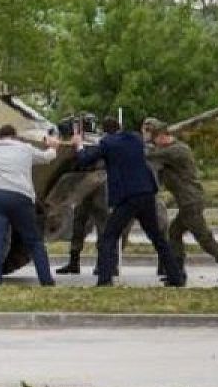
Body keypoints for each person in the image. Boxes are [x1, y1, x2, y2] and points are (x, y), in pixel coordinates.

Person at [72, 117, 184, 287]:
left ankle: (104, 278)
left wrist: (79, 144)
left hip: (127, 197)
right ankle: (176, 277)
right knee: (157, 238)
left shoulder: (107, 143)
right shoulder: (135, 138)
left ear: (104, 131)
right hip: (146, 193)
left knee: (109, 236)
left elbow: (84, 159)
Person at [142, 118, 218, 283]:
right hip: (188, 202)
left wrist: (139, 144)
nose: (153, 142)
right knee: (174, 233)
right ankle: (178, 271)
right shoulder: (169, 150)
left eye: (153, 138)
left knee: (204, 239)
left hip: (191, 202)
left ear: (160, 136)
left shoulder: (176, 151)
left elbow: (148, 154)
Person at [0, 124, 60, 286]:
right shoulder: (25, 149)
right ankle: (46, 280)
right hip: (20, 197)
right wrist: (54, 146)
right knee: (34, 241)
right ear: (15, 135)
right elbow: (47, 158)